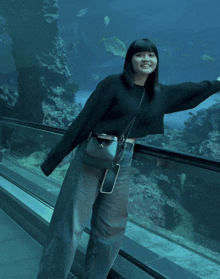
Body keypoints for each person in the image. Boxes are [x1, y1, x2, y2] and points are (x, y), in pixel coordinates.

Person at [37, 38, 220, 279]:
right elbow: (84, 120)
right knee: (69, 225)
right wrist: (54, 158)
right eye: (140, 55)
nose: (146, 59)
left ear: (157, 60)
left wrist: (217, 83)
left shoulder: (158, 93)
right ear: (129, 59)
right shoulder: (113, 84)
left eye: (151, 55)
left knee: (111, 229)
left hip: (122, 162)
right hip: (94, 154)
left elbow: (192, 90)